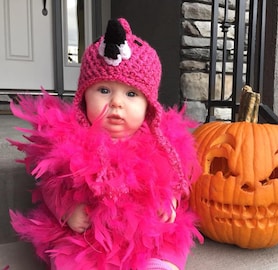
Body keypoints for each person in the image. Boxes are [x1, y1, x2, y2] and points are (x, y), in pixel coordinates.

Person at [9, 18, 202, 270]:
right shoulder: (67, 144)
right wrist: (67, 210)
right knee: (67, 257)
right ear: (83, 97)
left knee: (171, 243)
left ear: (149, 106)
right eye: (103, 90)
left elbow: (175, 178)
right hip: (89, 240)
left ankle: (156, 265)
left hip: (144, 237)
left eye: (131, 94)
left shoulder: (160, 143)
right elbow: (51, 186)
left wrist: (170, 199)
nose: (116, 103)